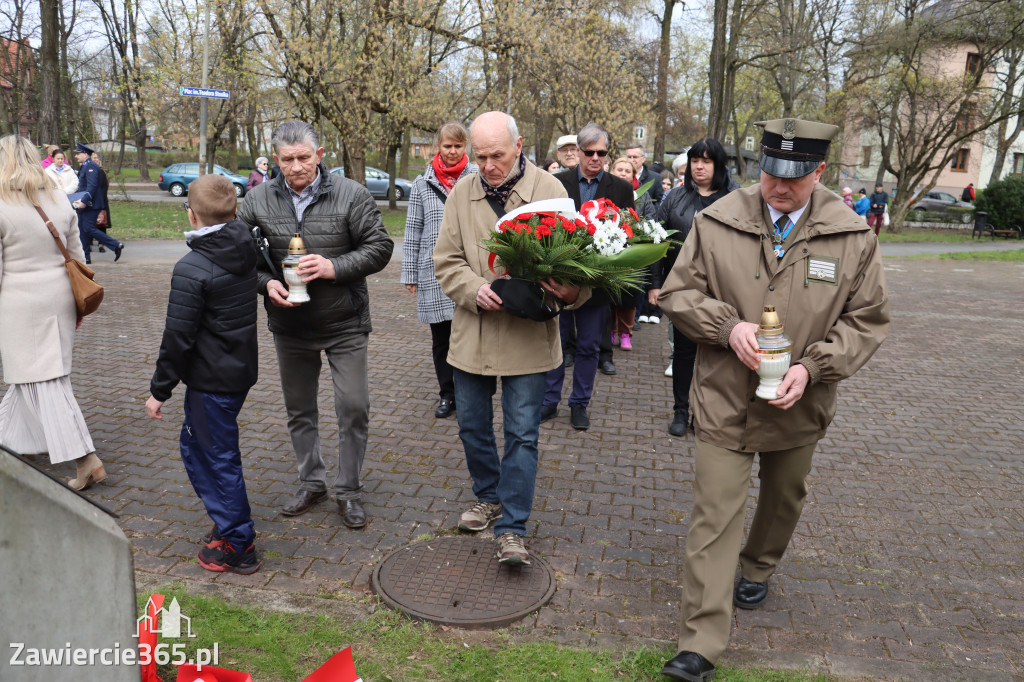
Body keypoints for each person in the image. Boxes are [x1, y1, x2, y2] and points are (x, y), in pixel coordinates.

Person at [657, 118, 890, 681]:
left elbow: (867, 320)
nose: (778, 187)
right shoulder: (716, 222)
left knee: (784, 497)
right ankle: (700, 644)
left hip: (799, 403)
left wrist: (813, 369)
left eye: (794, 177)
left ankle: (758, 567)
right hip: (722, 396)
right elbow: (678, 291)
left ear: (820, 172)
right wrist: (724, 326)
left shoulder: (852, 236)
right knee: (715, 515)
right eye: (770, 173)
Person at [433, 111, 585, 565]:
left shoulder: (551, 191)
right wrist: (471, 287)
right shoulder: (462, 192)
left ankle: (513, 527)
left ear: (519, 147)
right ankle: (489, 494)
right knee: (472, 427)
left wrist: (572, 290)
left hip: (527, 340)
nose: (488, 165)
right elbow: (446, 261)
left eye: (497, 155)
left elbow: (578, 265)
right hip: (473, 335)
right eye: (480, 157)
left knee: (522, 435)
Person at [238, 120, 394, 529]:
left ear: (320, 155)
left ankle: (349, 490)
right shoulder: (256, 200)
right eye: (287, 160)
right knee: (300, 410)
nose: (296, 167)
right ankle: (312, 482)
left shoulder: (351, 194)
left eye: (304, 158)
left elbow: (380, 248)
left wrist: (332, 266)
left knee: (354, 407)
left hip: (345, 322)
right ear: (276, 159)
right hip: (290, 325)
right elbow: (239, 260)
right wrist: (266, 283)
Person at [145, 174, 261, 575]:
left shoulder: (193, 266)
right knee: (203, 447)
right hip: (236, 372)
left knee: (213, 456)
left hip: (212, 381)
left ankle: (238, 543)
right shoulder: (245, 245)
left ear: (191, 214)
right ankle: (228, 519)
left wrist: (159, 390)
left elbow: (177, 336)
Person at [0, 135, 108, 490]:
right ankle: (12, 445)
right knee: (35, 377)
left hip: (19, 302)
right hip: (60, 295)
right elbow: (76, 254)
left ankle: (85, 459)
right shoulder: (58, 197)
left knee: (43, 381)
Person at [542, 123, 634, 430]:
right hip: (561, 279)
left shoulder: (620, 189)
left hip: (598, 283)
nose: (596, 158)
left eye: (602, 153)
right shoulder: (557, 182)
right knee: (556, 342)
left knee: (589, 346)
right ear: (578, 152)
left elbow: (628, 234)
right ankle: (549, 400)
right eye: (589, 152)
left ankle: (579, 404)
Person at [650, 137, 739, 438]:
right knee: (684, 353)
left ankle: (703, 413)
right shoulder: (674, 198)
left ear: (718, 164)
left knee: (715, 354)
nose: (699, 166)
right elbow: (657, 244)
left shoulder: (735, 199)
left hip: (723, 289)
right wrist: (655, 284)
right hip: (683, 288)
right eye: (695, 160)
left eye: (706, 160)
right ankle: (680, 410)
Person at [401, 121, 477, 419]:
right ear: (438, 147)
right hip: (433, 272)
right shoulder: (422, 183)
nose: (453, 151)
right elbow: (413, 229)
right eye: (448, 146)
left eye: (458, 146)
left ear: (465, 147)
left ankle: (470, 392)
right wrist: (409, 273)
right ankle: (447, 393)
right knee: (442, 338)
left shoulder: (476, 178)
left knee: (469, 334)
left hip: (470, 270)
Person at [71, 143, 123, 265]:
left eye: (78, 153)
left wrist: (84, 201)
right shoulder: (85, 166)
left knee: (88, 228)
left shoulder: (91, 166)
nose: (76, 156)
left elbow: (92, 186)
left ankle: (116, 245)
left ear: (85, 154)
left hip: (91, 204)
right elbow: (83, 186)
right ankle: (85, 257)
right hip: (86, 204)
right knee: (82, 229)